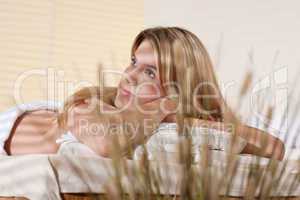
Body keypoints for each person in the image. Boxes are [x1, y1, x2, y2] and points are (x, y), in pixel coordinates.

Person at [1, 26, 285, 160]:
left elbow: (274, 148)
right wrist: (163, 109)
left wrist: (184, 119)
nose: (129, 75)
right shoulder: (90, 103)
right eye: (134, 62)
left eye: (150, 72)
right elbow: (105, 143)